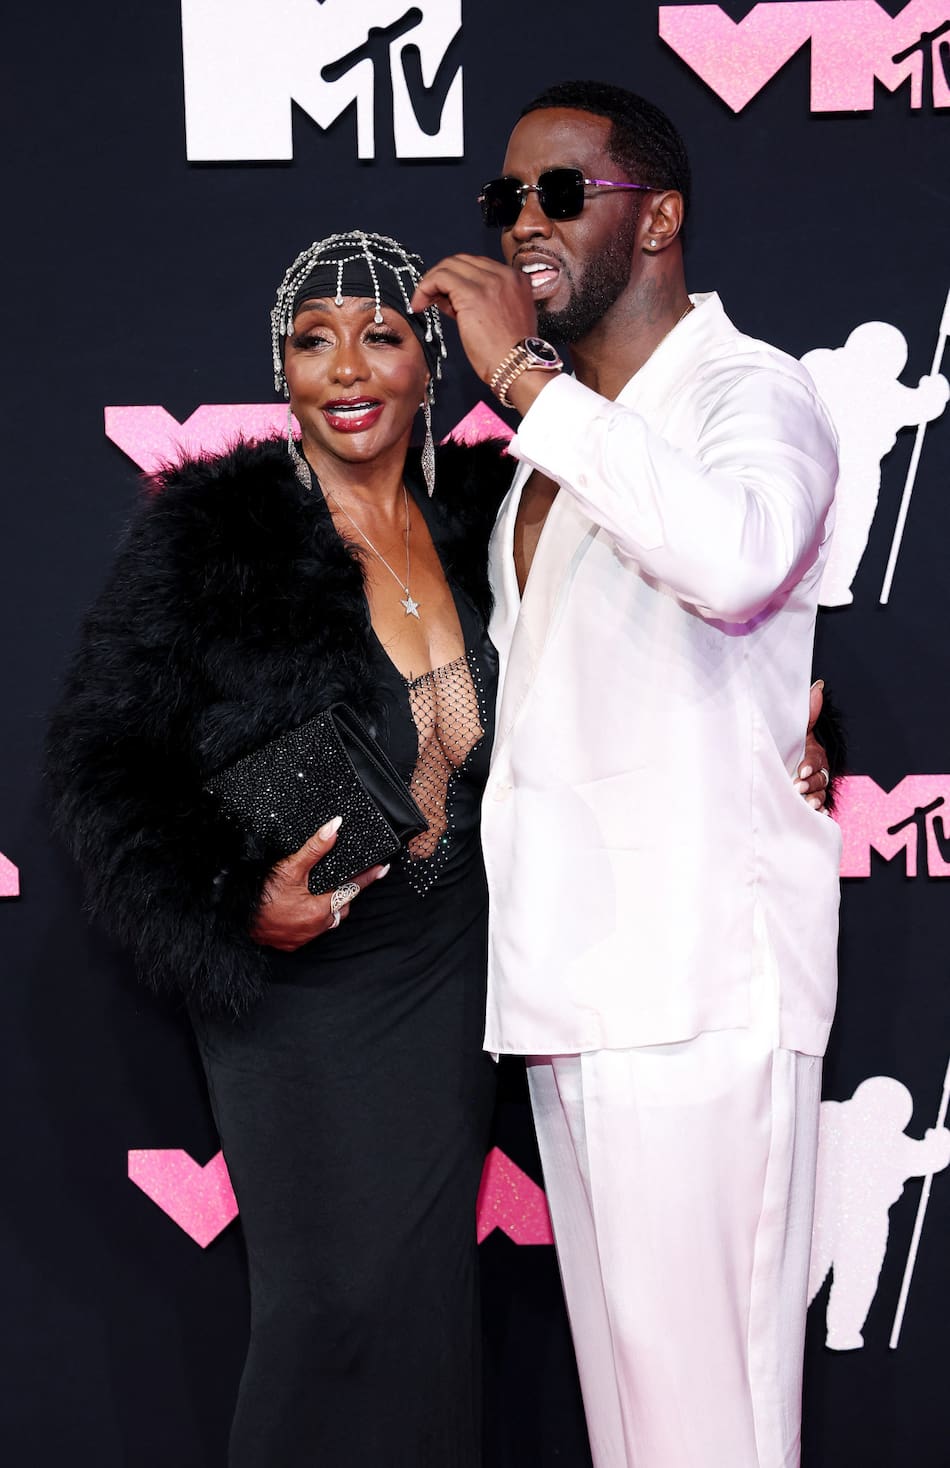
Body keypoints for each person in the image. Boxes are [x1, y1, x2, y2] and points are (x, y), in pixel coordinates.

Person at [412, 82, 841, 1467]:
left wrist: (523, 383)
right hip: (577, 996)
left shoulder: (748, 390)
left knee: (706, 1431)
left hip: (699, 994)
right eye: (503, 200)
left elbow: (731, 560)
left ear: (657, 215)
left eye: (557, 192)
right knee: (641, 1434)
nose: (520, 224)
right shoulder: (547, 452)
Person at [46, 230, 512, 1468]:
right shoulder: (215, 534)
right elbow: (102, 755)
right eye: (314, 341)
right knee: (326, 1304)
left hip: (449, 955)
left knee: (421, 1303)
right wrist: (231, 898)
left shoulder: (487, 519)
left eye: (382, 335)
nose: (346, 367)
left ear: (431, 367)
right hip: (301, 986)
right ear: (282, 371)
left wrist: (797, 730)